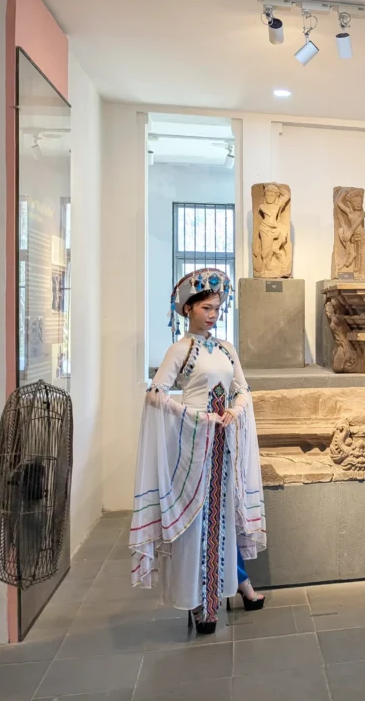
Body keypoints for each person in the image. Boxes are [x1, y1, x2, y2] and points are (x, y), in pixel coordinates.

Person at [129, 268, 267, 634]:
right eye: (206, 307)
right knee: (195, 522)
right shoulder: (182, 349)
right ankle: (198, 602)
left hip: (225, 443)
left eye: (217, 309)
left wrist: (235, 410)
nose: (212, 315)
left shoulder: (225, 349)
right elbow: (155, 394)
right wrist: (195, 416)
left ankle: (223, 590)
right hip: (195, 443)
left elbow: (241, 388)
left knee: (223, 517)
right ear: (188, 308)